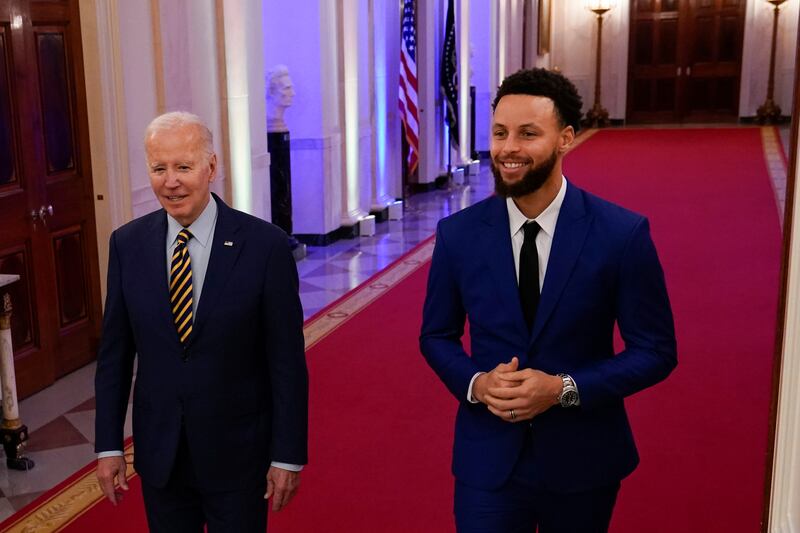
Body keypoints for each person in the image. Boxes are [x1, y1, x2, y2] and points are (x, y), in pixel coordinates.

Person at [419, 68, 677, 532]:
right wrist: (477, 383)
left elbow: (656, 351)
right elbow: (436, 335)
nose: (508, 148)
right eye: (500, 133)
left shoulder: (621, 233)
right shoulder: (457, 235)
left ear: (566, 138)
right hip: (488, 463)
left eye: (528, 133)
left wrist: (562, 389)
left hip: (584, 459)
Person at [94, 111, 308, 532]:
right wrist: (107, 447)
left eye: (183, 167)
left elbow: (286, 362)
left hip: (239, 456)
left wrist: (287, 454)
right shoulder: (127, 244)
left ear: (211, 167)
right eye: (159, 168)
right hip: (160, 457)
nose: (170, 181)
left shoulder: (265, 247)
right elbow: (114, 357)